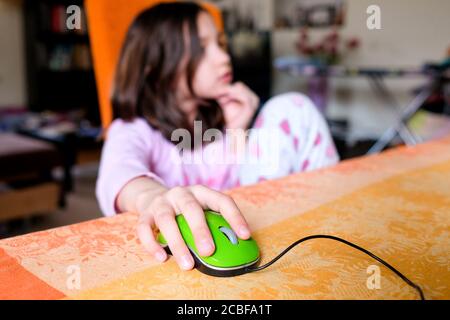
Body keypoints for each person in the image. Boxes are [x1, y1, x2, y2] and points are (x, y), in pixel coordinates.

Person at [96, 2, 339, 271]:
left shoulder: (221, 118)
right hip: (217, 243)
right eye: (202, 48)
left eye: (221, 44)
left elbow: (240, 177)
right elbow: (119, 175)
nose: (224, 57)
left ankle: (332, 216)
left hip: (251, 219)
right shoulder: (132, 129)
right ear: (156, 65)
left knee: (293, 107)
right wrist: (154, 197)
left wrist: (239, 128)